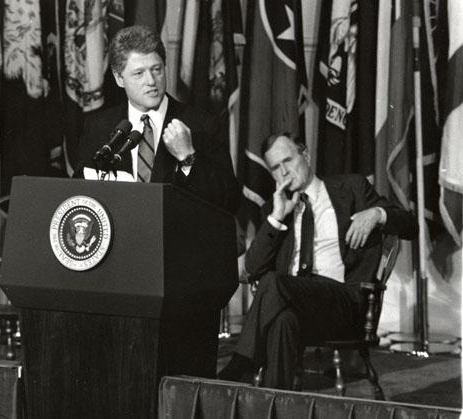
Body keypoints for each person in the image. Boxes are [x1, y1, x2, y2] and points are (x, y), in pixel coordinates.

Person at [218, 133, 418, 389]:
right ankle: (275, 406)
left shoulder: (352, 189)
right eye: (275, 168)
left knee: (273, 283)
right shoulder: (274, 207)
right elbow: (251, 268)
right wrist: (277, 218)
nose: (284, 172)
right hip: (301, 306)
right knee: (282, 321)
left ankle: (241, 364)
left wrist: (377, 214)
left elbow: (411, 225)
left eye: (288, 161)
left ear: (306, 156)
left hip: (345, 303)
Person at [75, 25, 239, 214]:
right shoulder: (99, 127)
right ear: (119, 78)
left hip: (177, 239)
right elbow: (80, 192)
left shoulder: (202, 125)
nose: (151, 81)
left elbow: (230, 201)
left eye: (156, 69)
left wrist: (188, 158)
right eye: (139, 73)